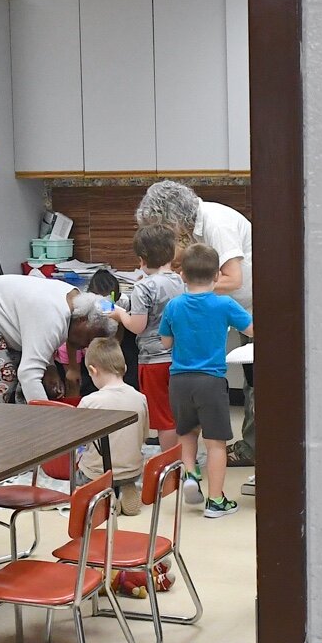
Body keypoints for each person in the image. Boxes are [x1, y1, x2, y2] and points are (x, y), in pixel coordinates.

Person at [136, 181, 255, 464]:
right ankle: (250, 447)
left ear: (172, 217)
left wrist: (183, 288)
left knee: (257, 383)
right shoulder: (196, 228)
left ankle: (254, 448)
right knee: (251, 383)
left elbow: (234, 279)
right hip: (238, 310)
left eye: (164, 228)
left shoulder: (217, 223)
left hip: (254, 307)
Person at [159, 243, 252, 519]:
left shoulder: (174, 305)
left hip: (179, 380)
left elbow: (165, 341)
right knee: (216, 443)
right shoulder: (224, 303)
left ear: (183, 276)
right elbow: (252, 329)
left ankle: (190, 474)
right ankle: (215, 501)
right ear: (216, 277)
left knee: (187, 433)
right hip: (210, 381)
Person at [0, 272, 117, 404]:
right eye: (89, 339)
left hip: (2, 311)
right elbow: (29, 373)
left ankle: (18, 434)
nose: (86, 346)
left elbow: (39, 337)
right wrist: (47, 425)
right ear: (82, 320)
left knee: (23, 386)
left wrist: (50, 368)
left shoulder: (78, 304)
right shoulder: (53, 318)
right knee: (3, 380)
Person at [115, 222, 184, 452]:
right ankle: (186, 458)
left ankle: (170, 461)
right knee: (179, 412)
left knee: (164, 418)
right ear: (172, 253)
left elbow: (137, 326)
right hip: (181, 358)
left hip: (154, 361)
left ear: (142, 259)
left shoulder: (143, 287)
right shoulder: (180, 281)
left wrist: (120, 315)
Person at [75, 337, 149, 517]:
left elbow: (77, 439)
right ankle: (125, 487)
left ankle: (104, 496)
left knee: (79, 472)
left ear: (93, 370)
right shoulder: (140, 398)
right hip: (132, 471)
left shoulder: (89, 401)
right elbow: (144, 436)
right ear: (124, 368)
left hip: (97, 474)